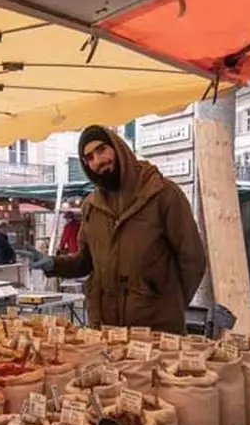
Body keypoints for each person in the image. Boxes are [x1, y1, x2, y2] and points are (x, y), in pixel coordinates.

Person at [31, 124, 206, 334]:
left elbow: (192, 259)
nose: (98, 161)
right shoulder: (91, 206)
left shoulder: (163, 194)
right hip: (106, 329)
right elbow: (85, 262)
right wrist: (53, 263)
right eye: (89, 158)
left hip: (155, 329)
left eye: (102, 149)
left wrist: (170, 304)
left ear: (118, 148)